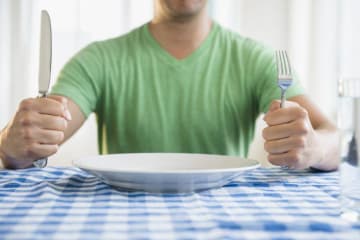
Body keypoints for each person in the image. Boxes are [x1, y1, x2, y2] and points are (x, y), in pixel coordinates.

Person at [0, 0, 338, 171]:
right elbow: (41, 135)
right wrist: (11, 144)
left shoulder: (258, 59)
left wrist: (316, 148)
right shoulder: (98, 59)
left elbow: (331, 135)